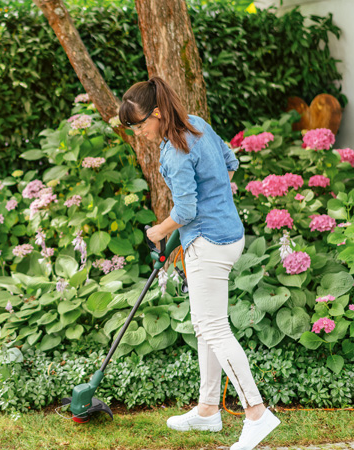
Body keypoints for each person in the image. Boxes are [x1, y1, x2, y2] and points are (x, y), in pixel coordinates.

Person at [117, 76, 280, 450]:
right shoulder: (198, 124)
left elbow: (187, 210)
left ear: (157, 114)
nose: (139, 133)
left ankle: (256, 413)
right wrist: (215, 203)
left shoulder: (174, 152)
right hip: (229, 235)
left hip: (208, 244)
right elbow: (231, 164)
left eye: (141, 125)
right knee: (205, 326)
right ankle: (208, 409)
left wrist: (160, 230)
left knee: (214, 328)